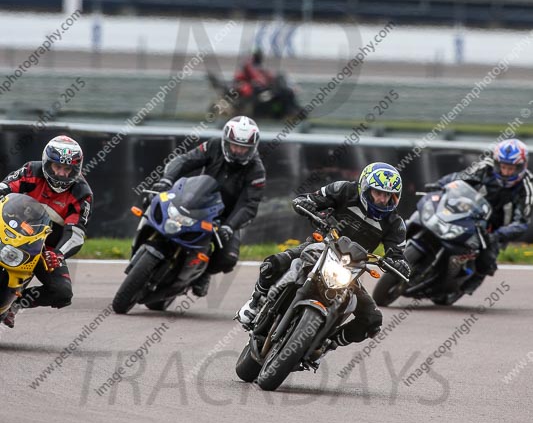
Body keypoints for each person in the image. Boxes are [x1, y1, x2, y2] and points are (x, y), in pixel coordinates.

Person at [237, 162, 409, 353]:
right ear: (365, 188)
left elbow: (397, 253)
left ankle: (327, 343)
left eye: (388, 195)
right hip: (321, 246)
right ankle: (256, 302)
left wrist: (399, 263)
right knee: (273, 264)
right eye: (378, 193)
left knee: (372, 320)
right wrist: (306, 203)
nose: (382, 200)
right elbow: (312, 198)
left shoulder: (395, 223)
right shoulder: (344, 189)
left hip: (351, 269)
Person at [143, 116, 266, 298]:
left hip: (225, 217)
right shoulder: (214, 146)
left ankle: (204, 273)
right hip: (196, 201)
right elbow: (184, 160)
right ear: (226, 142)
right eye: (235, 146)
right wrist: (166, 180)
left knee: (228, 259)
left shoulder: (257, 171)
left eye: (244, 148)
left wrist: (229, 226)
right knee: (155, 202)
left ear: (252, 148)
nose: (239, 151)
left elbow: (249, 205)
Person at [0, 135, 92, 327]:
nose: (61, 174)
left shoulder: (82, 193)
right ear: (46, 163)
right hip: (9, 230)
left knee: (62, 293)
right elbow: (4, 187)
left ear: (77, 169)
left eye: (68, 169)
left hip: (43, 249)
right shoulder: (30, 170)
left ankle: (15, 303)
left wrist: (58, 254)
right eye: (57, 167)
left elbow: (75, 233)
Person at [429, 138, 533, 292]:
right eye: (503, 167)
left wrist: (498, 235)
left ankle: (467, 283)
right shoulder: (486, 167)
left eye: (511, 169)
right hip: (472, 211)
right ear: (497, 163)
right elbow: (460, 177)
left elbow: (522, 221)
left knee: (486, 260)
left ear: (522, 167)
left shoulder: (527, 186)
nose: (506, 172)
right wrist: (439, 185)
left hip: (497, 228)